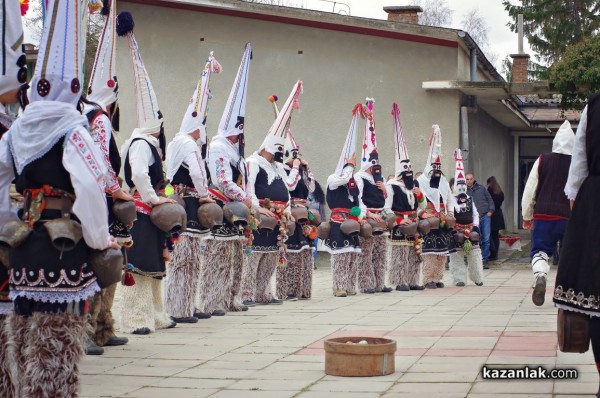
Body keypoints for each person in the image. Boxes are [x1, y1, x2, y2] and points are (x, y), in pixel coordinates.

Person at [0, 0, 120, 395]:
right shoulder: (73, 127)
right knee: (56, 350)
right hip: (63, 251)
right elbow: (88, 189)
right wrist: (102, 241)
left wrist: (6, 228)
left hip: (23, 248)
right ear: (74, 84)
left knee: (23, 341)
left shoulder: (16, 131)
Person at [117, 12, 177, 335]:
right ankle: (135, 318)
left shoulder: (149, 145)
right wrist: (155, 200)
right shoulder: (141, 144)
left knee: (153, 268)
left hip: (150, 210)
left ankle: (155, 314)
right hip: (142, 210)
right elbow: (139, 176)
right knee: (139, 268)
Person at [83, 0, 132, 355]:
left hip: (93, 198)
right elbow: (101, 163)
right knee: (103, 265)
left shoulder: (85, 115)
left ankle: (101, 326)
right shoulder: (98, 119)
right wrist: (119, 192)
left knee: (100, 266)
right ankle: (96, 328)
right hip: (98, 201)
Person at [164, 52, 220, 323]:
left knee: (184, 259)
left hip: (177, 199)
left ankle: (184, 304)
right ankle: (180, 307)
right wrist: (205, 196)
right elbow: (198, 173)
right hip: (188, 203)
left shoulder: (175, 141)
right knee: (186, 259)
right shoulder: (188, 143)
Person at [553, 94, 600, 397]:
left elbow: (578, 168)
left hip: (596, 207)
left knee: (596, 300)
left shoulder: (594, 107)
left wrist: (581, 221)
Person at [201, 43, 253, 315]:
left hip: (236, 210)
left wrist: (247, 196)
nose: (240, 136)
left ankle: (232, 298)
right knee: (218, 259)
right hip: (222, 207)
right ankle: (212, 300)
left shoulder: (235, 151)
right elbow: (222, 180)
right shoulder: (220, 146)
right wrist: (244, 196)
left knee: (235, 259)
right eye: (239, 132)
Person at [242, 81, 301, 305]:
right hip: (261, 214)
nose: (280, 154)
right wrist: (258, 209)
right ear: (268, 146)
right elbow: (249, 188)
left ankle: (264, 293)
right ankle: (247, 293)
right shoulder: (253, 162)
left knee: (271, 256)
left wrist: (287, 210)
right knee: (254, 255)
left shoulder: (277, 166)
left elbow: (288, 187)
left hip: (279, 217)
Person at [522, 120, 574, 306]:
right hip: (570, 217)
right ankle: (566, 293)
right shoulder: (578, 162)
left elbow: (530, 189)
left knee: (540, 251)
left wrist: (527, 215)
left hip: (543, 214)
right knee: (571, 255)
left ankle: (541, 277)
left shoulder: (543, 159)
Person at [272, 92, 317, 301]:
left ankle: (302, 289)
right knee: (290, 252)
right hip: (290, 213)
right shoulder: (282, 169)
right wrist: (296, 168)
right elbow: (288, 186)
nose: (297, 157)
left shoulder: (301, 170)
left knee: (304, 253)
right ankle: (286, 290)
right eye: (294, 155)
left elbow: (312, 187)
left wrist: (307, 170)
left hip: (303, 215)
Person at [323, 104, 365, 297]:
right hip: (338, 222)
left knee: (352, 256)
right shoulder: (334, 179)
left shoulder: (353, 181)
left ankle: (349, 285)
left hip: (352, 221)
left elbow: (359, 201)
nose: (351, 170)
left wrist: (361, 215)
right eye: (348, 166)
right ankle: (338, 286)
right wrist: (349, 165)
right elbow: (342, 178)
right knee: (340, 255)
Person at [385, 103, 426, 292]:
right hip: (401, 221)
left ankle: (412, 280)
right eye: (406, 169)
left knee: (414, 251)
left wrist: (420, 197)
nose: (409, 172)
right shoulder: (392, 185)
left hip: (414, 221)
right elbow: (387, 207)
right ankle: (399, 280)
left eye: (410, 168)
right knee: (400, 253)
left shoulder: (415, 185)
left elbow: (422, 205)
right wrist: (398, 220)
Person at [355, 99, 392, 294]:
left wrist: (385, 190)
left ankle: (380, 283)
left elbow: (386, 201)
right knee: (366, 253)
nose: (376, 166)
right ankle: (366, 283)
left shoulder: (380, 178)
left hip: (381, 216)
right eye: (373, 163)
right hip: (368, 217)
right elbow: (357, 198)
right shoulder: (359, 177)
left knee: (380, 253)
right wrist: (368, 214)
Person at [416, 125, 456, 289]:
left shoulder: (444, 182)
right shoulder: (422, 182)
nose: (437, 174)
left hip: (442, 219)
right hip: (428, 219)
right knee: (430, 251)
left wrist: (451, 213)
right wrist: (421, 213)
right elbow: (417, 202)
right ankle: (427, 279)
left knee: (441, 252)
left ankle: (438, 277)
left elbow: (449, 199)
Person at [448, 149, 484, 287]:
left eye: (464, 185)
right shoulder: (451, 200)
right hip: (457, 231)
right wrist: (452, 229)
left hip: (470, 229)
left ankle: (477, 277)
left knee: (474, 255)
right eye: (460, 185)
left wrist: (475, 226)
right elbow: (450, 214)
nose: (462, 188)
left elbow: (475, 214)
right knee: (456, 256)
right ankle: (459, 279)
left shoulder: (470, 199)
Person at [466, 172, 494, 268]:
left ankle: (485, 259)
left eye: (471, 178)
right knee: (475, 238)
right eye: (467, 179)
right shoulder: (464, 191)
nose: (469, 181)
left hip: (485, 216)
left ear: (473, 179)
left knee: (486, 238)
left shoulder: (481, 188)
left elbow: (490, 199)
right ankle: (475, 259)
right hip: (473, 218)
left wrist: (491, 210)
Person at [307, 180, 325, 270]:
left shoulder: (318, 197)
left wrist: (323, 224)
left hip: (316, 224)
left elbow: (322, 212)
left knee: (314, 243)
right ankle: (306, 262)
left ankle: (312, 262)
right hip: (305, 222)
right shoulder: (303, 193)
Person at [486, 176, 505, 261]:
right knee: (495, 235)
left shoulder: (489, 190)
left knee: (489, 235)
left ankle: (493, 253)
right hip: (498, 214)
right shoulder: (499, 191)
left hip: (492, 214)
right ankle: (495, 253)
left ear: (489, 183)